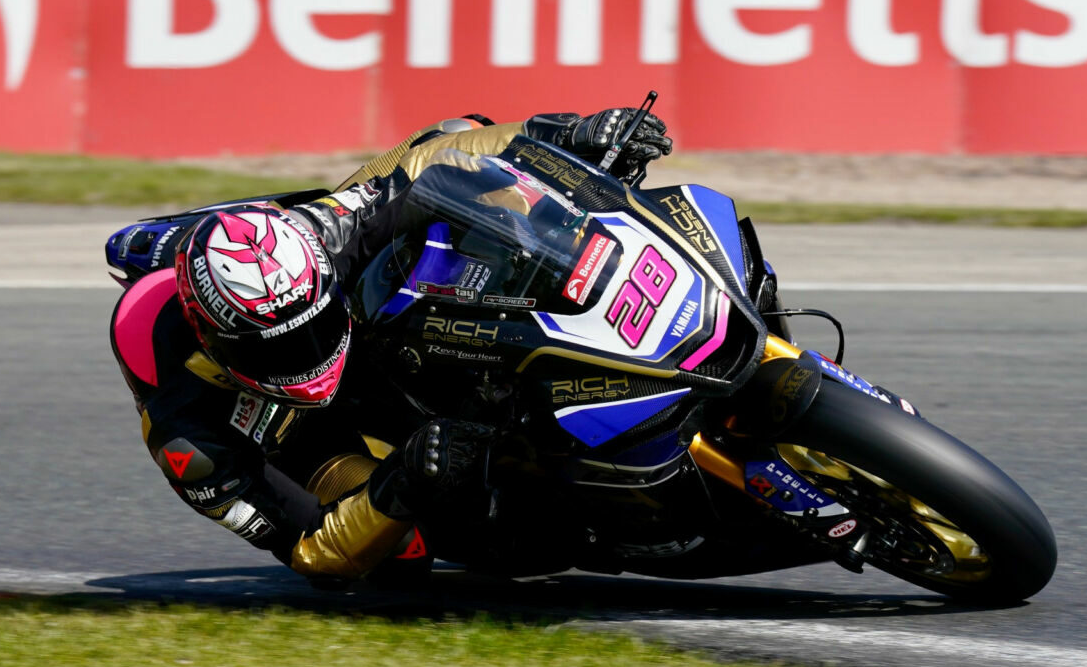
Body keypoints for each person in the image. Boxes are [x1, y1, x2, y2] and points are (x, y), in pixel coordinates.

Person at [106, 109, 674, 584]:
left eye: (311, 325)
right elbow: (311, 554)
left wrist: (561, 136)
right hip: (309, 440)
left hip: (368, 326)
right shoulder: (189, 437)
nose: (309, 352)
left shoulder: (320, 233)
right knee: (406, 555)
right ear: (217, 341)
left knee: (463, 149)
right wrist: (404, 480)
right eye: (282, 350)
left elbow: (431, 159)